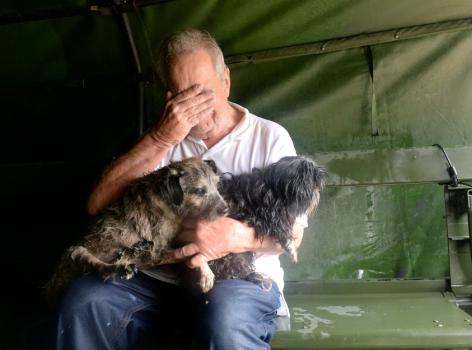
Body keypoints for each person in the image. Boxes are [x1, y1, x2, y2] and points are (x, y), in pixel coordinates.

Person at [53, 28, 306, 349]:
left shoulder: (270, 138)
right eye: (180, 96)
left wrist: (232, 237)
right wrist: (161, 138)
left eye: (202, 93)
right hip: (154, 275)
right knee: (83, 302)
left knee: (225, 322)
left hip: (238, 278)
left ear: (226, 81)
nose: (194, 109)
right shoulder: (162, 136)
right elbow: (97, 205)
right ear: (168, 97)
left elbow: (292, 236)